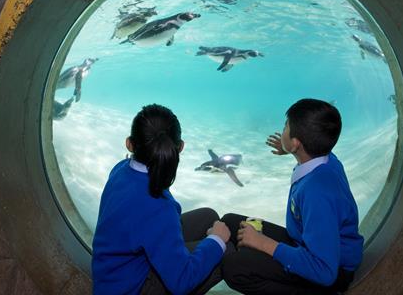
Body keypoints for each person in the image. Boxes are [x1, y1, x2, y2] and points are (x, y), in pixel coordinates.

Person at [221, 98, 364, 295]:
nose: (283, 129)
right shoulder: (327, 159)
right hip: (306, 243)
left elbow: (324, 270)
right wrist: (289, 150)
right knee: (230, 222)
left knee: (234, 267)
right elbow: (312, 149)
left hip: (331, 271)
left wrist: (263, 244)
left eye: (286, 126)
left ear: (297, 143)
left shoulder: (317, 193)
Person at [92, 104, 231, 295]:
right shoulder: (159, 207)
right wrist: (217, 241)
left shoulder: (120, 169)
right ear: (180, 147)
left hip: (112, 275)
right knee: (227, 251)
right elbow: (182, 282)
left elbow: (148, 216)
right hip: (132, 288)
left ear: (129, 144)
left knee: (209, 216)